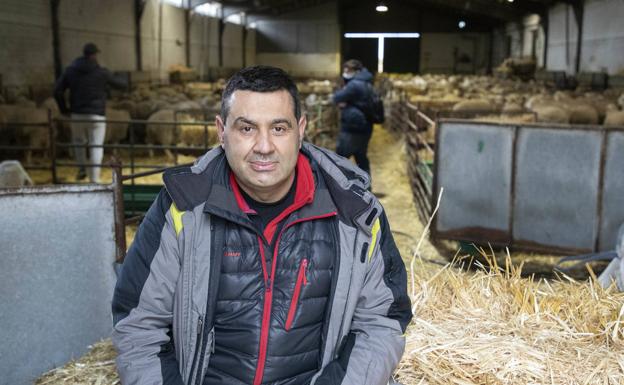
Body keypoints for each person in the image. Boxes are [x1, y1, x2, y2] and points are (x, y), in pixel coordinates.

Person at [112, 65, 411, 385]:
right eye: (247, 128)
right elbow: (138, 326)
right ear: (221, 131)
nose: (264, 146)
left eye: (279, 128)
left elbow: (380, 323)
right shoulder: (181, 209)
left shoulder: (356, 214)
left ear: (301, 130)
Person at [54, 42, 126, 183]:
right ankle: (94, 179)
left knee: (78, 142)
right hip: (96, 115)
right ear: (94, 55)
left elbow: (57, 91)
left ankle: (81, 168)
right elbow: (122, 85)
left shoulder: (70, 70)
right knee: (96, 145)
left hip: (77, 114)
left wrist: (64, 110)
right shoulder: (101, 72)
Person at [332, 59, 376, 177]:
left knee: (339, 159)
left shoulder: (354, 84)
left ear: (357, 71)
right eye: (345, 69)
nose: (346, 72)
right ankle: (366, 186)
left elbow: (336, 98)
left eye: (349, 70)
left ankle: (339, 186)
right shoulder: (367, 83)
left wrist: (344, 102)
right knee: (361, 157)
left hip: (353, 128)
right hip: (365, 127)